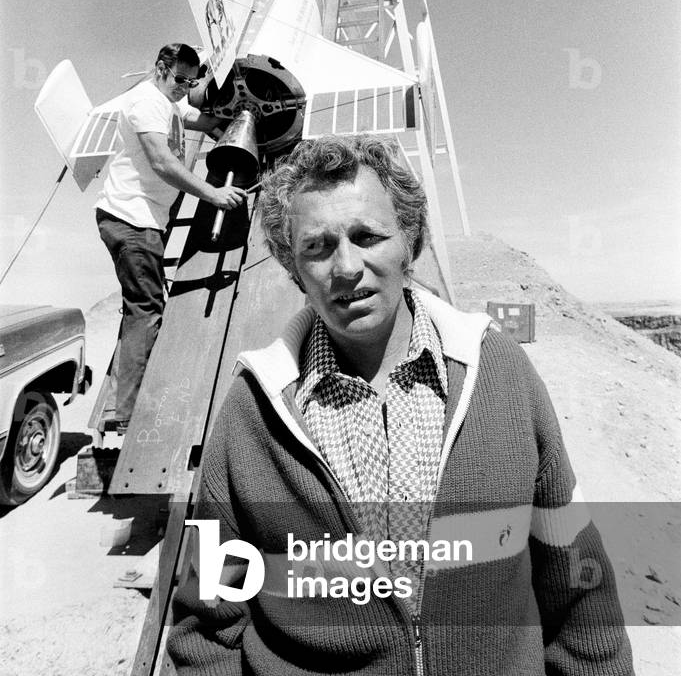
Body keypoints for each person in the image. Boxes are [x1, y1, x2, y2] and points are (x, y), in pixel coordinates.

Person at [168, 134, 633, 675]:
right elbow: (207, 624)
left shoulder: (502, 378)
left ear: (410, 242)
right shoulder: (251, 415)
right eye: (317, 246)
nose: (346, 267)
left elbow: (577, 580)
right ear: (294, 269)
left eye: (368, 236)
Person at [95, 42, 245, 433]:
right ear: (160, 67)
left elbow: (202, 119)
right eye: (180, 79)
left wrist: (227, 115)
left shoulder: (170, 103)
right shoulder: (146, 101)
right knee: (146, 311)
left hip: (145, 222)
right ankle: (126, 415)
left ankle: (119, 402)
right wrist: (212, 194)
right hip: (131, 219)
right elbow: (162, 162)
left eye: (190, 81)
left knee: (139, 308)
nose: (185, 87)